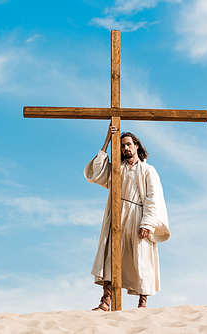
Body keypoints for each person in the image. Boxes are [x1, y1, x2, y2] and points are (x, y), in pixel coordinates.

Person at [84, 125, 170, 310]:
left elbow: (153, 197)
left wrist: (148, 223)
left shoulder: (148, 170)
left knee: (141, 256)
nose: (126, 148)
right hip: (116, 215)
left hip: (138, 216)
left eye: (129, 144)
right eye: (122, 146)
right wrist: (107, 139)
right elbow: (95, 172)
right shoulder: (117, 169)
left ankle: (143, 303)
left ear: (136, 145)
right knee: (110, 254)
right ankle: (106, 301)